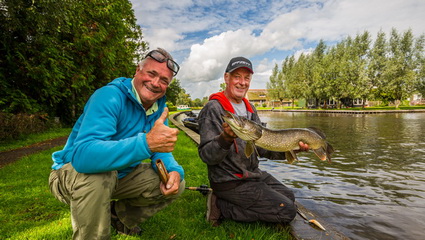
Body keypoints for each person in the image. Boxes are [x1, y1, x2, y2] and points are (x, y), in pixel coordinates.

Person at [49, 48, 185, 239]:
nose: (155, 83)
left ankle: (118, 216)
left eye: (164, 80)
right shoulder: (109, 96)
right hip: (71, 174)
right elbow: (84, 157)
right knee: (99, 176)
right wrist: (145, 143)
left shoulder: (159, 108)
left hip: (118, 176)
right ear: (137, 71)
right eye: (151, 74)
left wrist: (174, 171)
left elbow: (160, 152)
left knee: (176, 181)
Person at [198, 56, 309, 226]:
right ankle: (221, 205)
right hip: (229, 181)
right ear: (226, 78)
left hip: (251, 175)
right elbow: (206, 156)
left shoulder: (250, 110)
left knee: (289, 196)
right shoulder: (214, 108)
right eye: (237, 76)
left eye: (246, 78)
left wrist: (293, 148)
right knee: (286, 211)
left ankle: (234, 203)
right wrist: (225, 139)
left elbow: (263, 149)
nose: (242, 82)